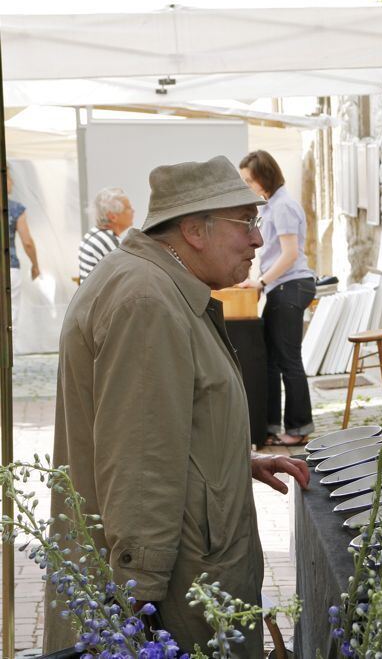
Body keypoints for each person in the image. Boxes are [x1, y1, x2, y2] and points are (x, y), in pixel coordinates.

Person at [45, 156, 311, 656]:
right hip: (171, 596)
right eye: (246, 223)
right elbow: (139, 466)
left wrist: (233, 460)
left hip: (186, 568)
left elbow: (161, 424)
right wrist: (137, 609)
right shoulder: (147, 300)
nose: (258, 239)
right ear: (193, 230)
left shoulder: (157, 284)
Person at [238, 150, 316, 447]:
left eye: (249, 179)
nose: (247, 184)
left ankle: (298, 429)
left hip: (289, 286)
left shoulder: (282, 206)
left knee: (287, 360)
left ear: (264, 176)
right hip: (280, 286)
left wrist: (260, 282)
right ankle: (270, 425)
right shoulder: (272, 206)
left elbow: (290, 254)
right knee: (271, 360)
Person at [5, 166, 41, 331]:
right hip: (9, 267)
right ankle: (8, 354)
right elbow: (27, 242)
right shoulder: (15, 209)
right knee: (11, 315)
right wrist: (35, 265)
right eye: (10, 178)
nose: (12, 182)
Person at [78, 186, 135, 281]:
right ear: (112, 216)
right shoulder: (110, 242)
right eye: (128, 208)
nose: (133, 210)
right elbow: (127, 279)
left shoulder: (92, 234)